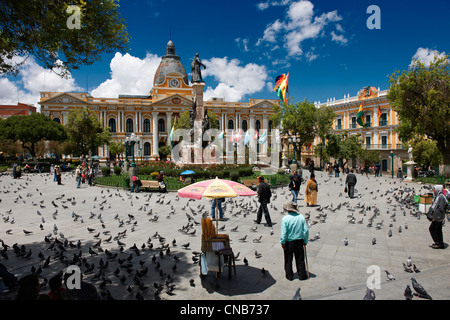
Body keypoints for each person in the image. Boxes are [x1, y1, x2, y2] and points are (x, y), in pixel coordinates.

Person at [280, 202, 309, 281]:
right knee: (300, 259)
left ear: (288, 210)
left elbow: (283, 233)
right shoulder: (301, 217)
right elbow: (306, 231)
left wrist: (282, 242)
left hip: (289, 242)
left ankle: (289, 276)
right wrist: (305, 240)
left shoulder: (285, 219)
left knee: (288, 259)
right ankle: (302, 275)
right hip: (299, 241)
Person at [427, 185, 448, 249]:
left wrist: (434, 215)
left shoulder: (441, 197)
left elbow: (440, 208)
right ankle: (439, 242)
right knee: (438, 229)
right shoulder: (439, 196)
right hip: (438, 216)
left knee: (432, 229)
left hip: (438, 216)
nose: (433, 191)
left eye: (434, 189)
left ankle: (438, 243)